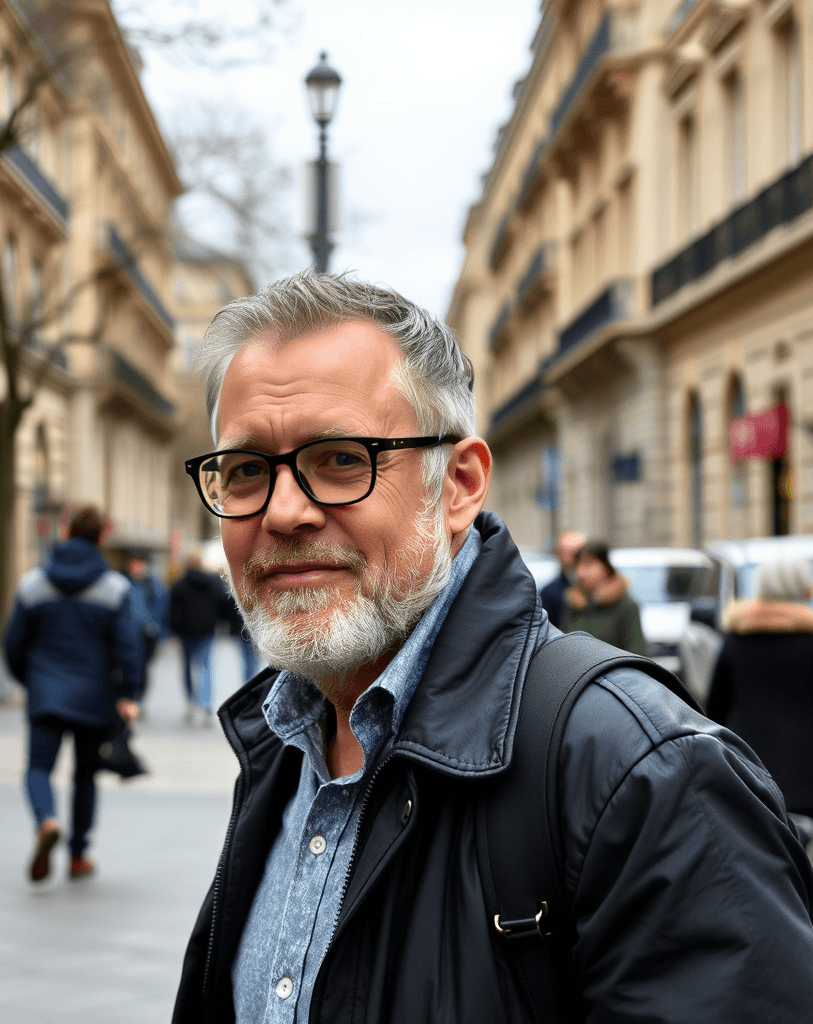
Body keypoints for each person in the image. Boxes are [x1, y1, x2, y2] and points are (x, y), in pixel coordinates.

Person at [173, 271, 813, 1023]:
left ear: (458, 485)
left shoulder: (640, 772)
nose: (284, 512)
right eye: (246, 471)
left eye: (341, 459)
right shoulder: (282, 745)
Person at [3, 505, 144, 882]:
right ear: (101, 537)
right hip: (94, 698)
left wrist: (30, 679)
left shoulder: (33, 584)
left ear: (66, 532)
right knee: (85, 776)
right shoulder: (114, 588)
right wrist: (128, 692)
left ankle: (46, 820)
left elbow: (12, 644)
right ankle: (79, 855)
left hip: (45, 692)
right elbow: (128, 647)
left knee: (38, 768)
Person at [707, 554, 813, 820]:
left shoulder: (737, 636)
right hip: (806, 770)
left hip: (748, 768)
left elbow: (715, 706)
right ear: (804, 586)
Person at [560, 539, 648, 656]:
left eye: (588, 565)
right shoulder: (574, 604)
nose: (580, 573)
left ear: (605, 567)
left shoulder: (625, 606)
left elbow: (637, 652)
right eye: (577, 566)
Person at [169, 551, 226, 722]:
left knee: (187, 666)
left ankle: (191, 702)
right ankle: (207, 704)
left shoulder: (179, 585)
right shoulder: (213, 583)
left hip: (186, 632)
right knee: (206, 667)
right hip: (207, 631)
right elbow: (223, 603)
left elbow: (172, 611)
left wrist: (175, 628)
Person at [125, 554, 170, 700]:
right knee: (132, 664)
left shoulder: (153, 585)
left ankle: (139, 696)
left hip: (147, 633)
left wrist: (157, 628)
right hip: (129, 632)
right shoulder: (125, 583)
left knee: (143, 666)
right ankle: (132, 694)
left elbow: (162, 607)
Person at [538, 530, 583, 626]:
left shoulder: (601, 587)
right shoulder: (550, 593)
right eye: (566, 552)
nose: (571, 557)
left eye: (576, 552)